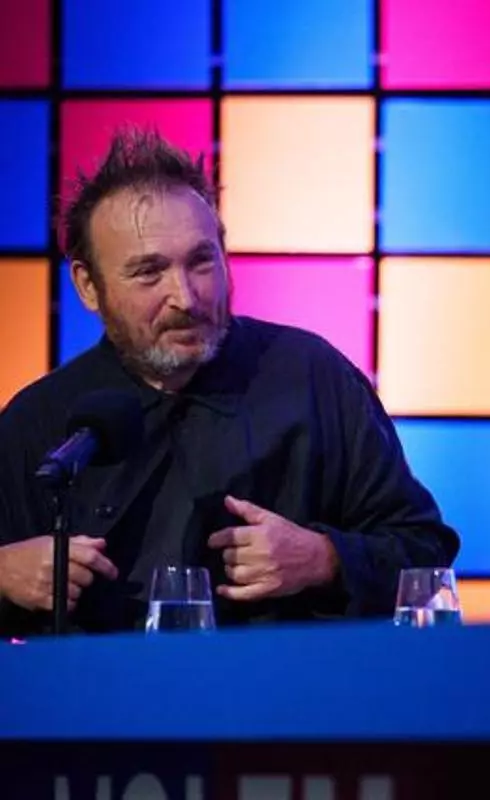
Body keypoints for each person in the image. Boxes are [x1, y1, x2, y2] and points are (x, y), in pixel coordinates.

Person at [0, 129, 459, 637]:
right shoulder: (41, 422)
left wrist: (324, 558)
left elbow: (425, 556)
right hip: (102, 689)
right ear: (88, 285)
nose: (186, 297)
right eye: (149, 273)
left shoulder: (313, 378)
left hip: (291, 685)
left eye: (201, 261)